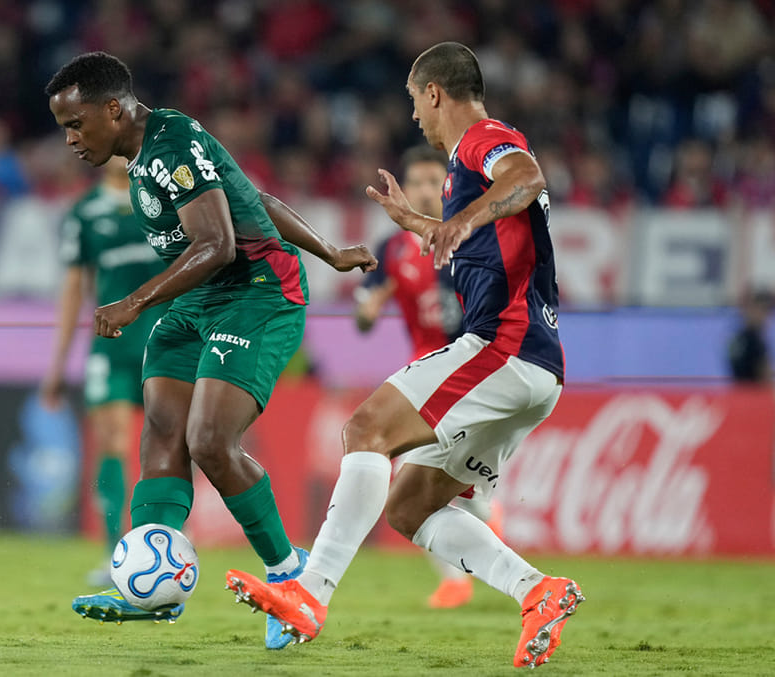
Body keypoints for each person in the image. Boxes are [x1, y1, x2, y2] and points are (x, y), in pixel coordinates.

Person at [226, 42, 584, 669]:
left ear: (435, 93)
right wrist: (418, 222)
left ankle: (310, 594)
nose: (414, 115)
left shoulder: (483, 138)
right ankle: (538, 591)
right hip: (538, 367)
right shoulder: (462, 170)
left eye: (415, 100)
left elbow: (527, 179)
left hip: (503, 346)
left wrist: (458, 221)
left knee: (364, 429)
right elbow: (490, 232)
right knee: (410, 505)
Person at [44, 52, 377, 649]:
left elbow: (220, 243)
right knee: (164, 431)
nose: (69, 138)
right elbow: (256, 200)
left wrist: (135, 303)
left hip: (258, 295)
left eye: (76, 123)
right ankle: (149, 592)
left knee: (210, 441)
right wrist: (331, 250)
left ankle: (290, 578)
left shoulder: (170, 143)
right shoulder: (147, 151)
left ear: (114, 110)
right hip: (201, 301)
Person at [354, 145, 503, 610]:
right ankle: (456, 579)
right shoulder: (393, 247)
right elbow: (363, 317)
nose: (422, 190)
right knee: (413, 479)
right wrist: (369, 309)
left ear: (448, 187)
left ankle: (484, 520)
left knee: (460, 488)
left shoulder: (473, 237)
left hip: (475, 373)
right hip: (424, 374)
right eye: (414, 181)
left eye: (431, 182)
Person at [42, 155, 168, 587]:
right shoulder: (84, 212)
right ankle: (117, 552)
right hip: (111, 347)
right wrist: (58, 363)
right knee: (111, 439)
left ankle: (163, 542)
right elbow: (74, 288)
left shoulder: (166, 200)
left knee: (167, 443)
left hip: (165, 342)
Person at [728, 290, 772, 383]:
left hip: (740, 393)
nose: (764, 317)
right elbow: (765, 378)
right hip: (754, 394)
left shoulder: (737, 338)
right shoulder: (754, 341)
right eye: (762, 311)